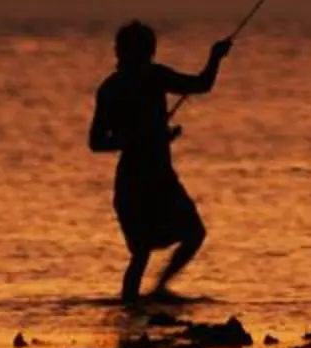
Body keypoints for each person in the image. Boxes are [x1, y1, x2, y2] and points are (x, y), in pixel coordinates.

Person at [90, 21, 231, 303]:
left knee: (191, 234)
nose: (142, 57)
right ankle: (135, 302)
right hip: (136, 181)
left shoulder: (136, 81)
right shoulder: (120, 86)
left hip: (160, 177)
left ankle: (156, 292)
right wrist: (136, 139)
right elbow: (96, 141)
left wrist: (215, 58)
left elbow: (200, 85)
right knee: (141, 252)